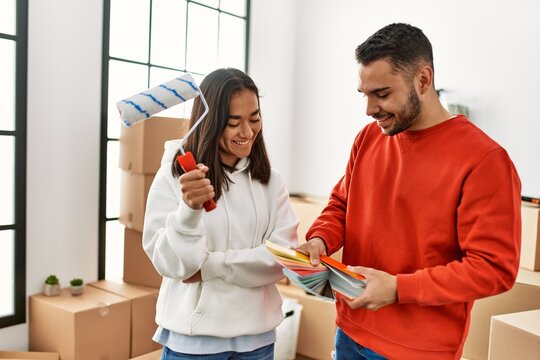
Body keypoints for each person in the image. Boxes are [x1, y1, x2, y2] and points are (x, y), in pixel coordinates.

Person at [298, 23, 521, 360]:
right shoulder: (368, 139)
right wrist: (320, 239)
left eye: (382, 94)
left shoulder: (484, 160)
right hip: (350, 330)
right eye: (365, 95)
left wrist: (398, 289)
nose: (370, 109)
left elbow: (493, 268)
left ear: (423, 80)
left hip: (418, 350)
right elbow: (342, 205)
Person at [143, 68, 298, 360]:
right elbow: (174, 266)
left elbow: (283, 258)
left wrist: (211, 267)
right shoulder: (174, 177)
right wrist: (188, 211)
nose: (247, 131)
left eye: (254, 118)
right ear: (211, 122)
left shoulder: (271, 181)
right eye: (233, 122)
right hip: (194, 344)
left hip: (258, 342)